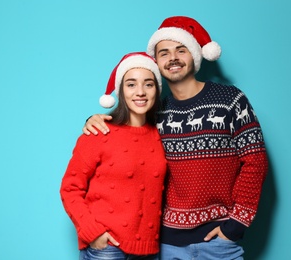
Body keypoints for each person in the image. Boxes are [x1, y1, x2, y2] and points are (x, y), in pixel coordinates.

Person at [83, 16, 269, 260]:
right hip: (167, 244)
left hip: (219, 242)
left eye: (181, 50)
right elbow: (124, 131)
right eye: (164, 53)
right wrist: (92, 120)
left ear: (194, 55)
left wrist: (236, 225)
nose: (173, 58)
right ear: (157, 63)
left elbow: (256, 161)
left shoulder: (231, 99)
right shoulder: (154, 112)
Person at [60, 52, 168, 260]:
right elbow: (70, 188)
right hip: (107, 249)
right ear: (120, 91)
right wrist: (93, 232)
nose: (140, 92)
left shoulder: (161, 135)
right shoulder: (99, 132)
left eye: (148, 84)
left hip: (148, 250)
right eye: (131, 84)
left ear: (157, 90)